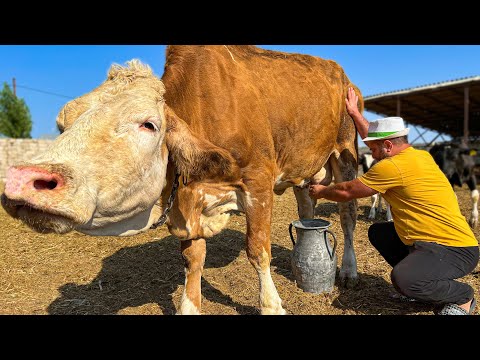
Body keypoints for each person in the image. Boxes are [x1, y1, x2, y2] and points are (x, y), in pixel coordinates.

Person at [309, 87, 479, 315]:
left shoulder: (392, 167)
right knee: (379, 233)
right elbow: (374, 136)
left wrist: (321, 191)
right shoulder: (418, 155)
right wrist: (354, 114)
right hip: (434, 242)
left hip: (453, 250)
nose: (371, 153)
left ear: (388, 147)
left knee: (402, 279)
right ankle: (422, 285)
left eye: (374, 149)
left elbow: (347, 191)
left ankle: (462, 297)